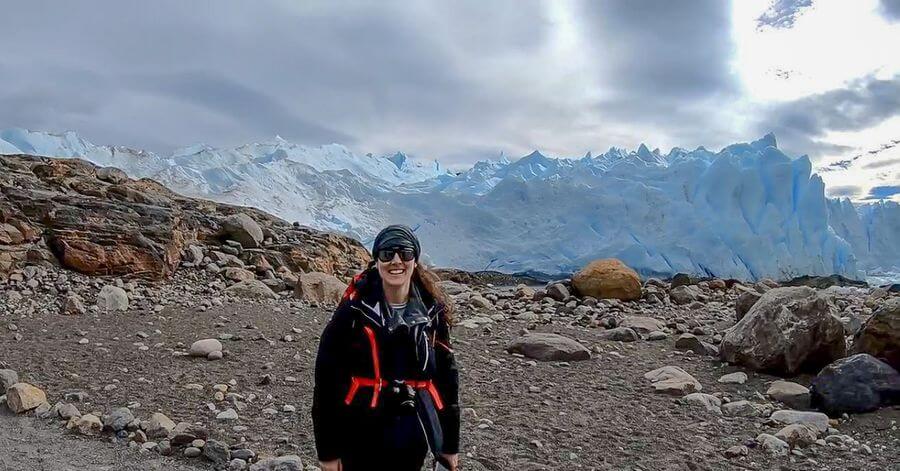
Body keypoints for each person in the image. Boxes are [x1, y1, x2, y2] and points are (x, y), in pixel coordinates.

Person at [312, 224, 461, 470]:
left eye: (405, 253)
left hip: (412, 430)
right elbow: (327, 386)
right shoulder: (352, 312)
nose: (396, 261)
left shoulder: (432, 312)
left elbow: (447, 381)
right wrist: (328, 453)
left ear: (415, 260)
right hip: (360, 430)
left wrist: (449, 446)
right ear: (376, 260)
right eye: (387, 253)